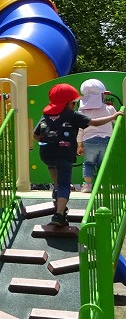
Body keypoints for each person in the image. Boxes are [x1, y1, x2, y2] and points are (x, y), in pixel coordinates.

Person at [34, 82, 119, 226]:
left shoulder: (46, 116)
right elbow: (95, 123)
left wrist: (47, 140)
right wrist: (113, 116)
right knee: (64, 184)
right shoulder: (72, 115)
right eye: (74, 103)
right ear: (69, 104)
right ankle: (59, 215)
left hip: (47, 153)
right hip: (64, 154)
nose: (75, 105)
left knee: (54, 171)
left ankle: (56, 190)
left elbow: (36, 135)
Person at [77, 78, 116, 192]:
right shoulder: (109, 108)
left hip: (89, 141)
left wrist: (79, 144)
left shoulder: (82, 112)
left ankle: (87, 185)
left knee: (88, 163)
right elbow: (117, 121)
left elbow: (80, 130)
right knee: (104, 164)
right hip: (107, 140)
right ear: (101, 96)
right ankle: (105, 185)